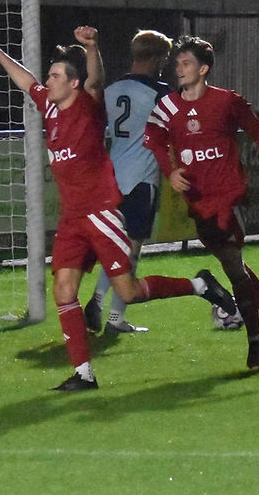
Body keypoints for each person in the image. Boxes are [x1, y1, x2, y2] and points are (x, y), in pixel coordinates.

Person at [0, 27, 236, 392]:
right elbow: (26, 80)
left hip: (101, 214)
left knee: (127, 291)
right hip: (72, 219)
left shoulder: (87, 105)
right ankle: (84, 373)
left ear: (73, 83)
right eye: (49, 75)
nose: (47, 82)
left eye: (54, 76)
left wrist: (93, 47)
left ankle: (200, 285)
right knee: (64, 291)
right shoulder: (49, 106)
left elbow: (96, 79)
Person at [143, 35, 259, 370]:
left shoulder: (227, 102)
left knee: (232, 263)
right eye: (177, 63)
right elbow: (152, 140)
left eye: (186, 64)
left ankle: (255, 344)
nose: (178, 69)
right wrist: (170, 171)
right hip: (199, 201)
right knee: (231, 264)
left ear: (203, 68)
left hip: (232, 195)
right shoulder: (167, 106)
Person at [84, 30, 174, 336]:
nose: (165, 64)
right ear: (156, 58)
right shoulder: (159, 93)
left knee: (116, 246)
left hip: (113, 175)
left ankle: (100, 305)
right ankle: (111, 315)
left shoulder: (113, 88)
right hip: (141, 178)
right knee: (131, 250)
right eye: (164, 58)